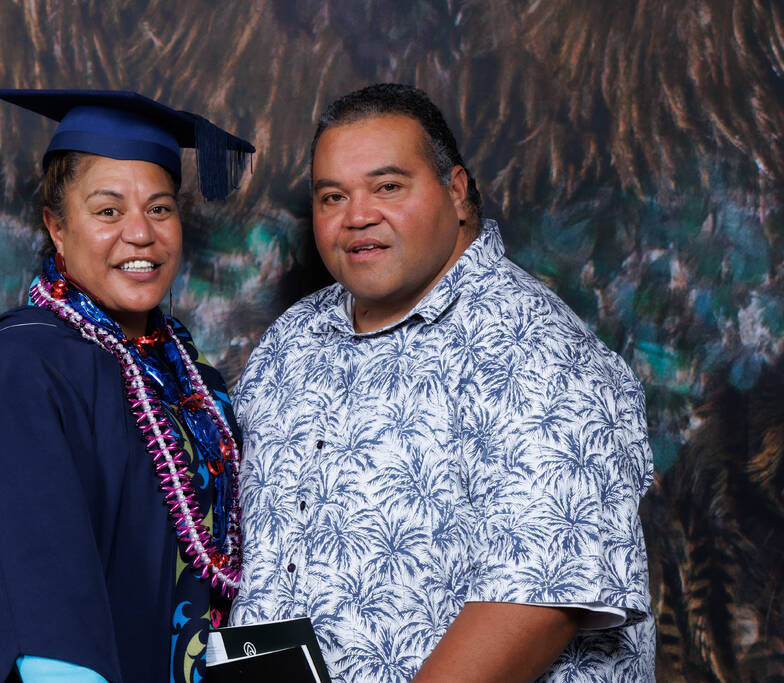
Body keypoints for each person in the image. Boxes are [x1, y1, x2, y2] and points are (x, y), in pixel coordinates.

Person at [229, 83, 655, 682]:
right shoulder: (289, 343)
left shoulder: (540, 351)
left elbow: (534, 603)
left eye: (388, 187)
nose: (357, 216)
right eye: (332, 196)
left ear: (456, 192)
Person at [0, 89, 254, 683]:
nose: (140, 235)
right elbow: (30, 605)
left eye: (159, 208)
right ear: (57, 226)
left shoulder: (198, 388)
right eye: (107, 211)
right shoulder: (18, 372)